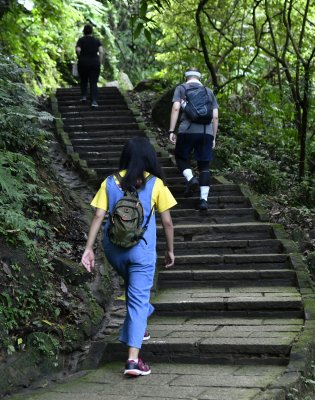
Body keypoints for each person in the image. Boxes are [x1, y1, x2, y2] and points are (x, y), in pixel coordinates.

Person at [81, 136, 176, 377]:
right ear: (149, 158)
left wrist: (89, 249)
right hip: (142, 252)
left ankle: (138, 323)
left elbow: (98, 217)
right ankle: (133, 361)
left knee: (137, 295)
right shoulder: (156, 184)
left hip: (114, 251)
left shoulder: (110, 182)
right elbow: (167, 222)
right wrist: (170, 249)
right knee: (137, 299)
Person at [168, 67, 219, 210]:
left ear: (186, 77)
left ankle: (191, 179)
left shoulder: (181, 88)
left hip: (187, 130)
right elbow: (215, 116)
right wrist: (213, 136)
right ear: (199, 78)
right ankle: (203, 200)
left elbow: (176, 108)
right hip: (206, 132)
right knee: (204, 166)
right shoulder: (209, 92)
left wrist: (172, 130)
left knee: (181, 158)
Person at [76, 24, 104, 107]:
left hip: (83, 62)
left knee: (83, 80)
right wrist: (100, 61)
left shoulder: (81, 40)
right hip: (94, 63)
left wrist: (79, 56)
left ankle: (84, 96)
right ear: (92, 31)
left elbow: (78, 49)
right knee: (93, 82)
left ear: (84, 31)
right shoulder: (96, 40)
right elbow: (101, 51)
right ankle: (94, 101)